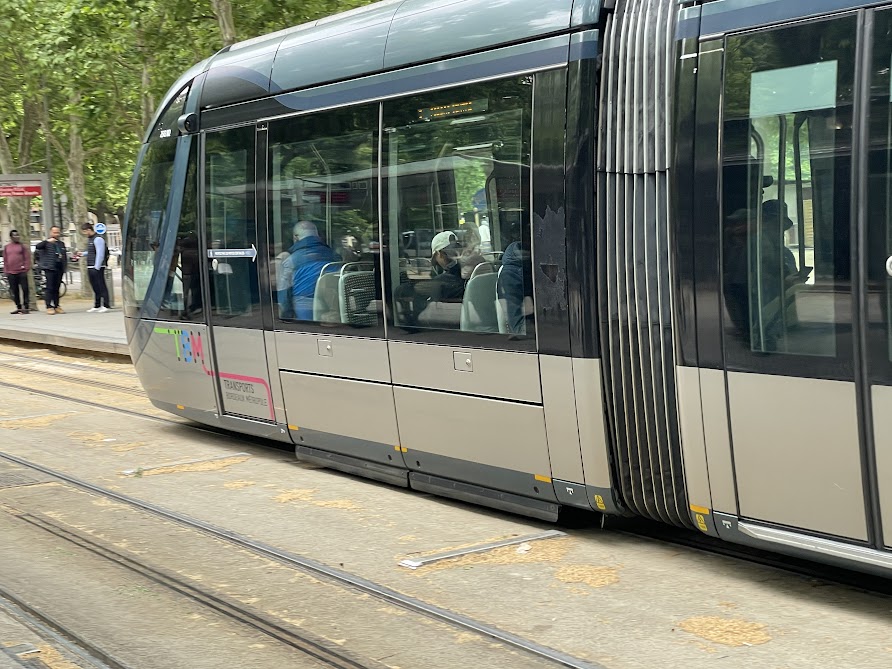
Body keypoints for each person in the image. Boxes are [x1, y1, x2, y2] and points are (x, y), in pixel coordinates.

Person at [395, 230, 465, 326]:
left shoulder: (449, 277)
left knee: (403, 290)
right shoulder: (463, 265)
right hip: (460, 288)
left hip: (452, 288)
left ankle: (410, 320)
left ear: (439, 254)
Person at [287, 221, 340, 320]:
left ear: (296, 237)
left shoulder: (291, 259)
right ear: (317, 235)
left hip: (305, 306)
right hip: (332, 304)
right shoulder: (333, 255)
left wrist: (285, 316)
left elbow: (284, 291)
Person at [34, 226, 68, 315]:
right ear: (50, 233)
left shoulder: (61, 244)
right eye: (54, 232)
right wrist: (46, 241)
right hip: (50, 268)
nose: (56, 234)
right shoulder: (46, 243)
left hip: (59, 267)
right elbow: (38, 247)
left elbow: (64, 256)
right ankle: (49, 306)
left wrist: (64, 266)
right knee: (50, 287)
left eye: (58, 232)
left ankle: (57, 305)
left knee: (57, 288)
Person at [80, 222, 110, 312]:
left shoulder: (98, 239)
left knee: (101, 285)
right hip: (90, 265)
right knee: (95, 286)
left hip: (97, 266)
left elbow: (100, 254)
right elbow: (92, 251)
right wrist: (82, 254)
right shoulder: (91, 239)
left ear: (89, 230)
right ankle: (97, 305)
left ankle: (106, 304)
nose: (85, 234)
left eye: (85, 232)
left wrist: (97, 267)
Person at [2, 230, 31, 314]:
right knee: (14, 290)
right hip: (11, 272)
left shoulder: (22, 246)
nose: (17, 237)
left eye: (17, 235)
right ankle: (18, 307)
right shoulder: (7, 247)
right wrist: (6, 271)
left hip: (21, 272)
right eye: (14, 235)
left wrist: (25, 268)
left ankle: (26, 306)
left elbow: (27, 258)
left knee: (25, 289)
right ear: (11, 237)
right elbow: (5, 260)